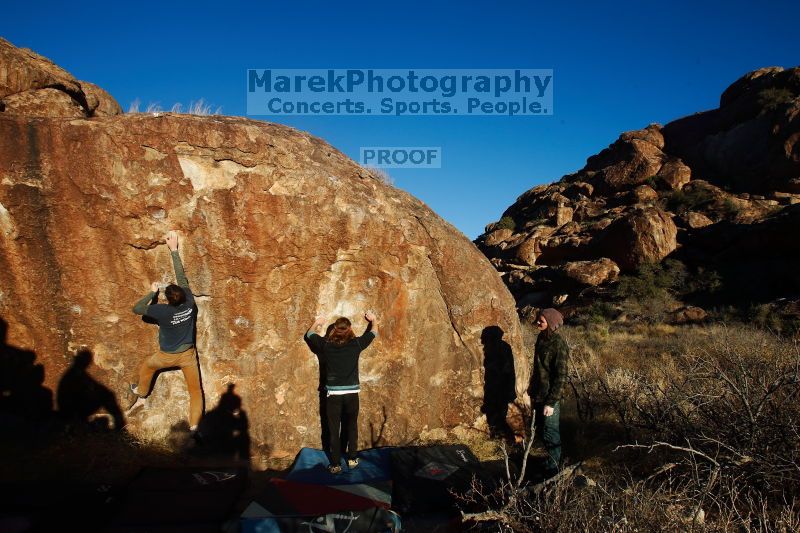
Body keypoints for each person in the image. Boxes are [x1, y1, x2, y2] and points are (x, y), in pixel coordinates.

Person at [129, 231, 204, 433]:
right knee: (195, 392)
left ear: (168, 299)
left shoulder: (162, 311)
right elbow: (182, 278)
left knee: (147, 366)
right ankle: (195, 426)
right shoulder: (190, 303)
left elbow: (137, 309)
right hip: (188, 355)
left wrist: (152, 293)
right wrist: (174, 250)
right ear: (182, 296)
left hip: (165, 356)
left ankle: (141, 392)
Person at [304, 311, 377, 474]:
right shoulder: (356, 344)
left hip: (333, 396)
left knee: (333, 429)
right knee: (351, 426)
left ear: (335, 330)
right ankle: (352, 459)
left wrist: (318, 321)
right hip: (352, 394)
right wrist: (373, 319)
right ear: (350, 329)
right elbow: (373, 332)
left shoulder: (325, 345)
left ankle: (335, 464)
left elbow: (309, 334)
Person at [528, 308, 569, 478]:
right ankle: (550, 461)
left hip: (549, 397)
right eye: (538, 319)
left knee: (551, 432)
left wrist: (551, 402)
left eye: (542, 321)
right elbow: (539, 369)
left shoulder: (558, 344)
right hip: (538, 393)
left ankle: (554, 470)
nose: (538, 322)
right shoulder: (541, 339)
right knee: (541, 431)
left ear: (550, 324)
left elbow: (561, 376)